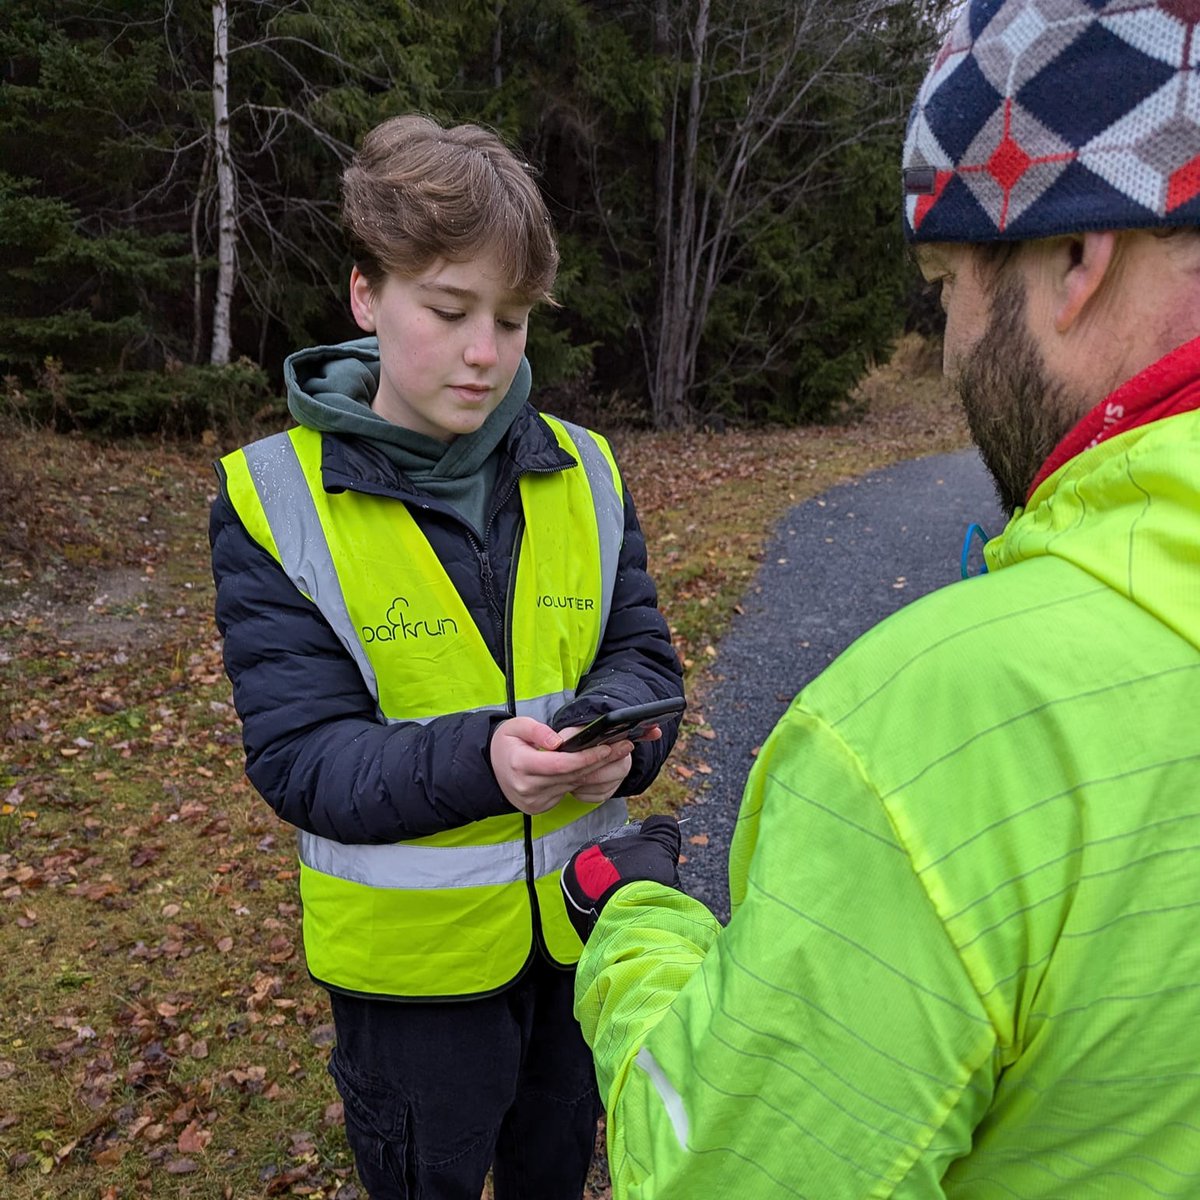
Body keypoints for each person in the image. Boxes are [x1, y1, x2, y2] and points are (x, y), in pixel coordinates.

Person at [559, 1, 1200, 1194]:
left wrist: (640, 929)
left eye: (952, 278)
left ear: (1077, 256)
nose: (951, 344)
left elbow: (722, 1170)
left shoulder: (945, 734)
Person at [209, 114, 684, 1200]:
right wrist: (488, 764)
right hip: (410, 987)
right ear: (367, 295)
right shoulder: (272, 500)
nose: (485, 353)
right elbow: (302, 759)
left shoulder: (588, 468)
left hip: (581, 934)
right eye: (450, 309)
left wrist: (623, 739)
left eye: (512, 320)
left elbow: (642, 654)